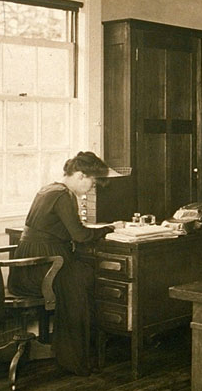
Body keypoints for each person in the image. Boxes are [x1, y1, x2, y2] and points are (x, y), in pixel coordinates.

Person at [8, 151, 122, 376]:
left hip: (27, 266)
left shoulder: (49, 188)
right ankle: (73, 359)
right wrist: (110, 228)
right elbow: (79, 235)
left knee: (80, 272)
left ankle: (72, 352)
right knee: (81, 277)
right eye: (91, 183)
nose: (90, 189)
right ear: (80, 175)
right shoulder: (63, 195)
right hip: (43, 267)